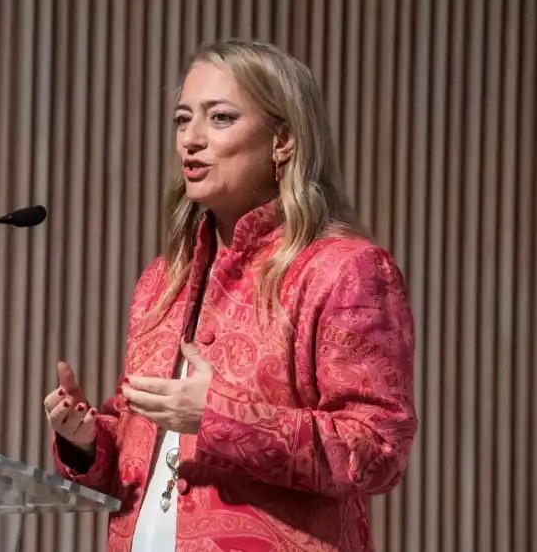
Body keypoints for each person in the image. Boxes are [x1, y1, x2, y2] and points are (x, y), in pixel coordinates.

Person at [44, 39, 417, 551]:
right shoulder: (163, 279)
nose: (191, 139)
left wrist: (218, 416)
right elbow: (143, 456)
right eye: (182, 119)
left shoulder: (344, 270)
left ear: (283, 140)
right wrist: (88, 441)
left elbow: (377, 452)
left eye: (219, 118)